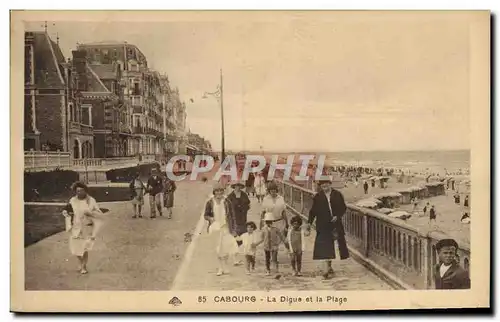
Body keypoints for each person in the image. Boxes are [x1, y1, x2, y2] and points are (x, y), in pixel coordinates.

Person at [307, 178, 349, 280]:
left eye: (326, 184)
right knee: (325, 246)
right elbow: (313, 211)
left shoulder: (337, 194)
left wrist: (337, 216)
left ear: (330, 184)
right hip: (322, 224)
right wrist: (309, 223)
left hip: (335, 224)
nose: (324, 186)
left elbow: (343, 207)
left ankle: (329, 266)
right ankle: (326, 269)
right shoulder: (318, 196)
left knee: (334, 245)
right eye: (322, 185)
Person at [61, 181, 106, 274]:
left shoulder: (91, 200)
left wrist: (90, 213)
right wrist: (65, 212)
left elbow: (99, 213)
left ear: (85, 190)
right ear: (75, 192)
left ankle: (83, 267)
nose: (80, 193)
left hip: (87, 227)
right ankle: (81, 262)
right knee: (75, 248)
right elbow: (67, 209)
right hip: (76, 226)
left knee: (85, 248)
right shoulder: (73, 200)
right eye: (77, 191)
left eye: (81, 190)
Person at [204, 183, 239, 276]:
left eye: (221, 191)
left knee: (226, 247)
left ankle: (225, 266)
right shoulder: (210, 202)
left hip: (226, 227)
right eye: (217, 191)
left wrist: (234, 228)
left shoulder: (227, 202)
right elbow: (206, 215)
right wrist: (211, 219)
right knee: (218, 248)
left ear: (223, 192)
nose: (219, 193)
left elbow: (232, 215)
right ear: (214, 192)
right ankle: (220, 267)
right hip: (215, 228)